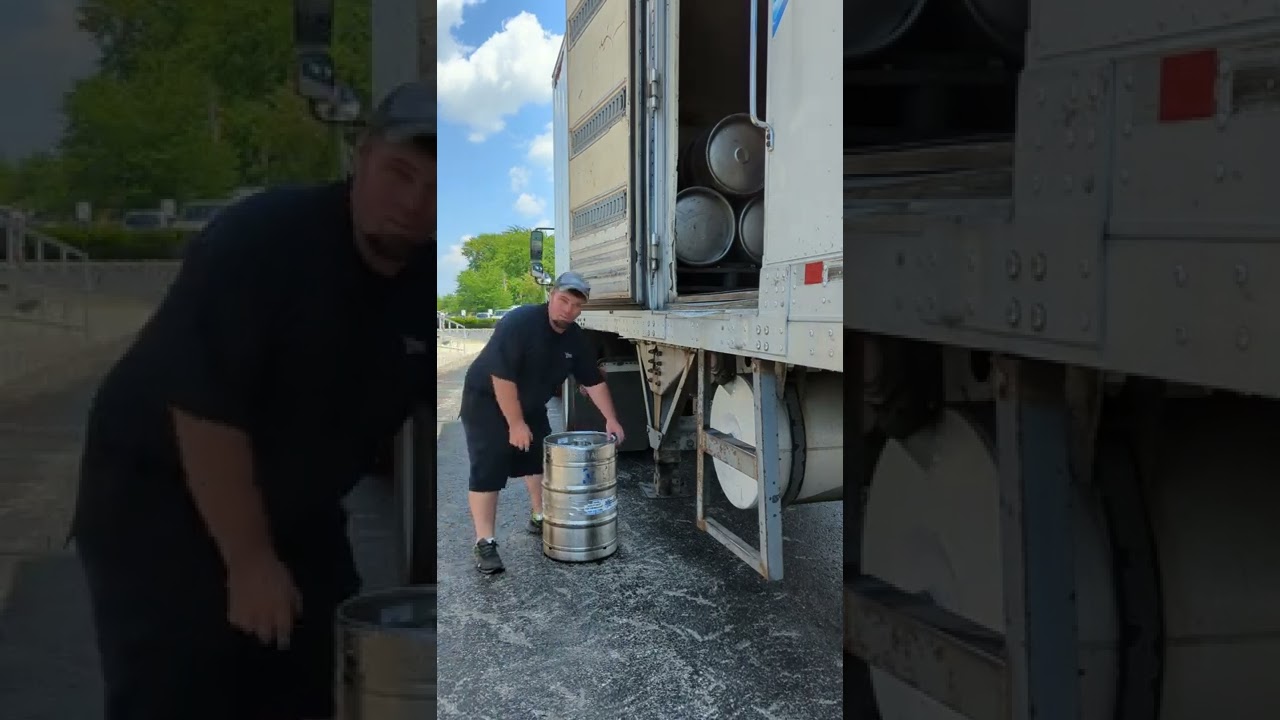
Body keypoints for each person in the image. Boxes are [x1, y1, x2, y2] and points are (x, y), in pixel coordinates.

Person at [69, 81, 435, 720]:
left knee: (321, 668)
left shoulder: (432, 283)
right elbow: (204, 408)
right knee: (182, 686)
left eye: (438, 188)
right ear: (361, 157)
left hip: (296, 499)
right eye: (400, 174)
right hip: (159, 493)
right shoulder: (263, 243)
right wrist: (250, 561)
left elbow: (442, 424)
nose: (415, 201)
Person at [460, 272, 626, 574]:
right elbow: (502, 375)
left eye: (577, 305)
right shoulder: (520, 322)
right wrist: (515, 423)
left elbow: (592, 380)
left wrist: (611, 419)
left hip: (530, 403)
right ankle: (485, 541)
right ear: (551, 295)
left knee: (539, 458)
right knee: (489, 466)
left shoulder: (575, 337)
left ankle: (540, 515)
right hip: (486, 399)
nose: (568, 310)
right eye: (564, 300)